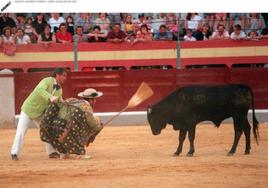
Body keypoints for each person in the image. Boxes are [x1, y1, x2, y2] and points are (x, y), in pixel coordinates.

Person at [10, 68, 68, 161]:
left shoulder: (59, 90)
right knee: (21, 132)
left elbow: (60, 102)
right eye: (64, 75)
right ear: (58, 75)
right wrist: (50, 97)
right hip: (28, 109)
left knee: (47, 130)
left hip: (40, 113)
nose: (65, 78)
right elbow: (39, 90)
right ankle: (14, 153)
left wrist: (66, 104)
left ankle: (51, 152)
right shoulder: (46, 81)